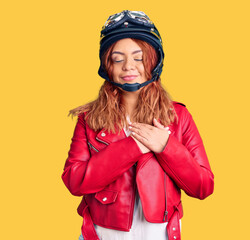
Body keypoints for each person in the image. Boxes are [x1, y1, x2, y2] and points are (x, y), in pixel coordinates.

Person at [61, 10, 214, 240]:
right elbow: (74, 181)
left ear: (153, 61)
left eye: (139, 57)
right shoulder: (88, 119)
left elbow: (203, 186)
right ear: (107, 66)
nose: (128, 67)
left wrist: (166, 147)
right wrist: (133, 147)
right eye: (118, 59)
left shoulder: (179, 116)